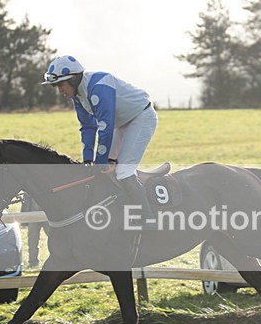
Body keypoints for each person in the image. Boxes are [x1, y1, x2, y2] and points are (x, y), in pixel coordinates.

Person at [42, 55, 158, 229]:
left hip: (141, 117)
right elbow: (88, 127)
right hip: (120, 123)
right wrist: (88, 159)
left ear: (74, 79)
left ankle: (148, 221)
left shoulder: (99, 87)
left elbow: (105, 126)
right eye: (56, 86)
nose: (60, 90)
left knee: (124, 170)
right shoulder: (77, 95)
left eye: (61, 84)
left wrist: (101, 161)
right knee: (101, 169)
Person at [21, 193, 49, 268]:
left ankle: (56, 258)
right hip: (32, 217)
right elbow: (26, 201)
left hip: (47, 216)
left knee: (54, 239)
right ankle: (33, 262)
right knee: (32, 241)